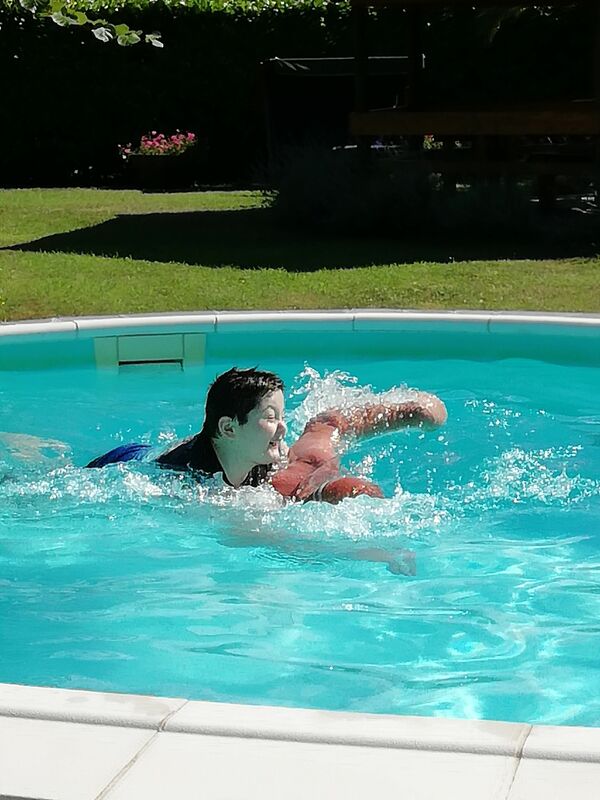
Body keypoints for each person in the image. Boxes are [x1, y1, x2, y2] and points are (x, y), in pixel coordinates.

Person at [87, 367, 447, 504]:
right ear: (229, 428)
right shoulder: (181, 482)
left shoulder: (282, 463)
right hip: (129, 458)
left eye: (283, 416)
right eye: (271, 418)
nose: (283, 428)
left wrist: (414, 410)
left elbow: (329, 424)